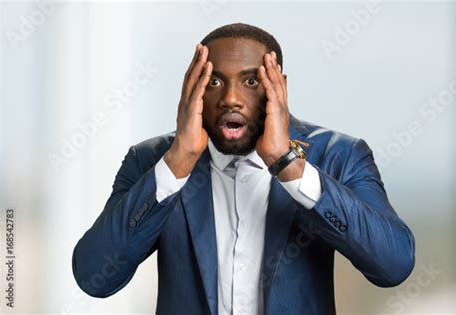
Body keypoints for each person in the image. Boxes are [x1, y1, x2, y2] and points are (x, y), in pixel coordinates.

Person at [72, 23, 415, 315]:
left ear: (278, 88)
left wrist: (289, 166)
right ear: (193, 90)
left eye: (251, 82)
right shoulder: (149, 161)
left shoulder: (338, 155)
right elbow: (93, 277)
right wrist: (176, 165)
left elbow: (393, 265)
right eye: (214, 82)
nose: (231, 99)